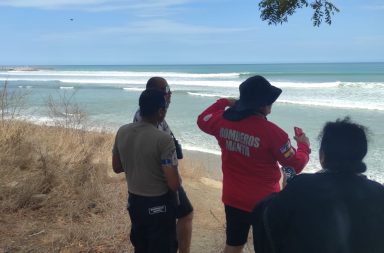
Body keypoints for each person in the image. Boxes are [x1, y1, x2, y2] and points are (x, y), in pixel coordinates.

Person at [197, 75, 311, 253]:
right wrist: (304, 145)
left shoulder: (222, 122)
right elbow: (295, 165)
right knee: (266, 248)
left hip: (232, 197)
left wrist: (226, 102)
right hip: (264, 202)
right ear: (263, 105)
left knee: (233, 245)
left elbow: (203, 119)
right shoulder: (273, 133)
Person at [252, 117, 384, 253]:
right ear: (361, 155)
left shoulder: (300, 186)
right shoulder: (379, 193)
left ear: (322, 155)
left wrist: (284, 193)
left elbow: (267, 219)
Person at [112, 89, 181, 253]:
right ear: (160, 111)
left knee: (141, 246)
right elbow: (173, 184)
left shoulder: (122, 131)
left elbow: (116, 167)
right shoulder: (163, 139)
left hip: (134, 202)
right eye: (164, 109)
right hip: (159, 205)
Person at [133, 77, 194, 253]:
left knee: (147, 229)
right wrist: (173, 180)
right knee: (182, 215)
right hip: (163, 181)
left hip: (148, 183)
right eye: (167, 89)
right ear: (158, 93)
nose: (170, 93)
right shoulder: (153, 120)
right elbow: (160, 152)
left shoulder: (146, 114)